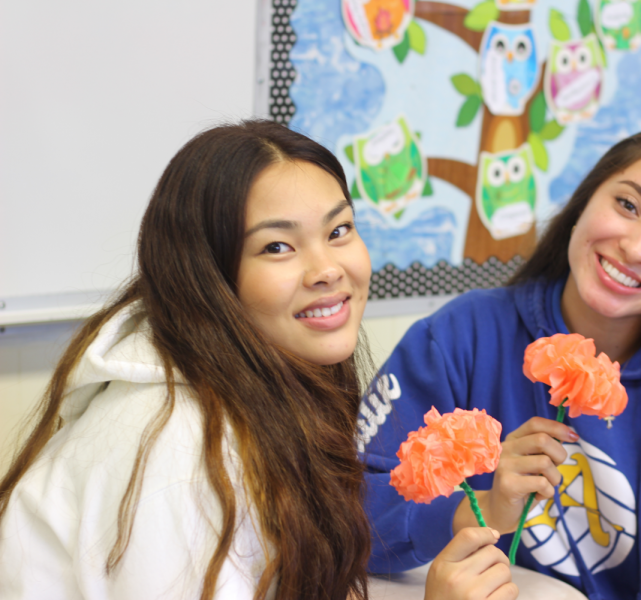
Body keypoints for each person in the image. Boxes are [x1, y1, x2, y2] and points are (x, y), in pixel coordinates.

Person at [0, 120, 517, 600]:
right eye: (277, 246)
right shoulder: (175, 447)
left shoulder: (264, 392)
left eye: (339, 231)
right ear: (210, 277)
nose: (327, 269)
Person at [359, 125, 641, 600]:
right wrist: (481, 507)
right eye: (628, 205)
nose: (637, 248)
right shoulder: (457, 339)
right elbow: (344, 512)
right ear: (583, 201)